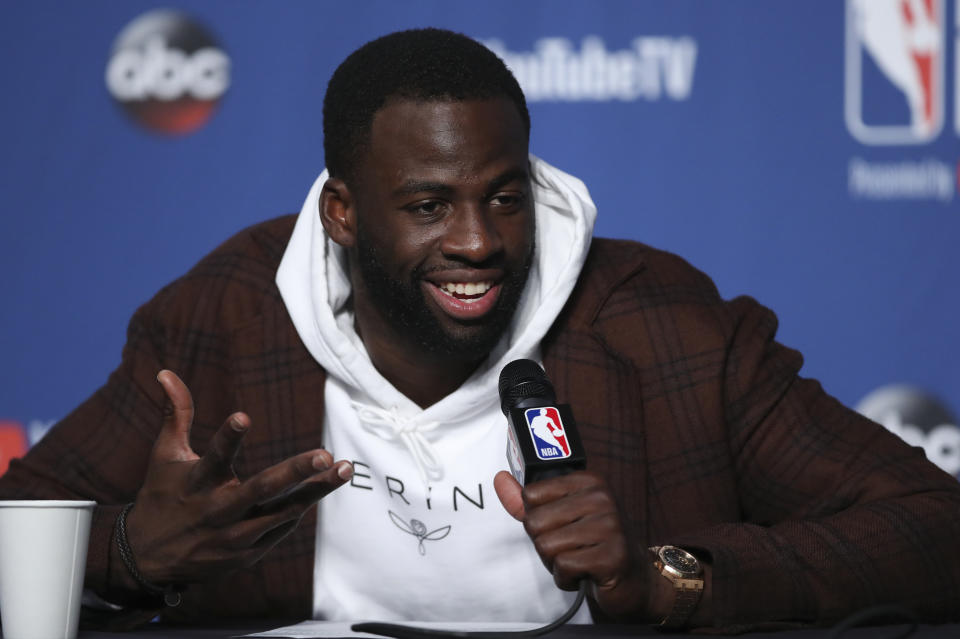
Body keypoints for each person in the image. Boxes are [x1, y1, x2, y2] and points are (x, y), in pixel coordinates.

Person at [1, 27, 959, 632]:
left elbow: (935, 530)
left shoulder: (667, 326)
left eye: (505, 197)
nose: (478, 241)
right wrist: (131, 551)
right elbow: (17, 536)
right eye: (427, 204)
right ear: (342, 213)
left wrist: (669, 581)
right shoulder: (224, 315)